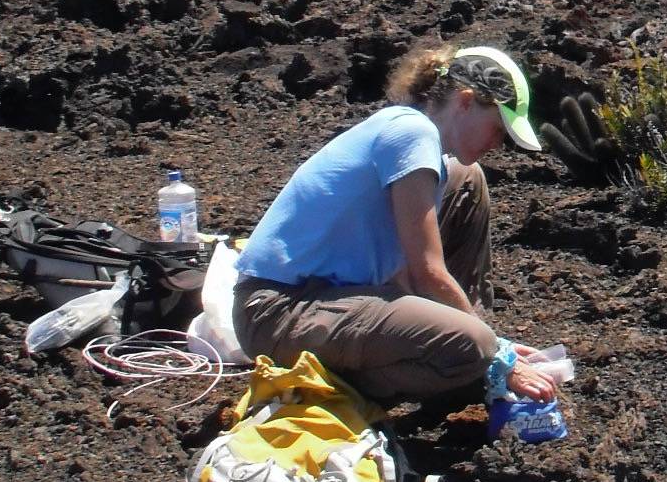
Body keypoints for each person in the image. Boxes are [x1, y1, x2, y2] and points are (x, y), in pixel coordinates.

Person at [231, 43, 561, 408]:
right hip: (277, 311)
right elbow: (426, 273)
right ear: (465, 101)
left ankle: (466, 356)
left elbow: (403, 274)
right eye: (498, 128)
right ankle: (339, 391)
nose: (498, 143)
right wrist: (498, 353)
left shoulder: (418, 138)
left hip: (321, 300)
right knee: (476, 345)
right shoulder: (412, 134)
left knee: (466, 178)